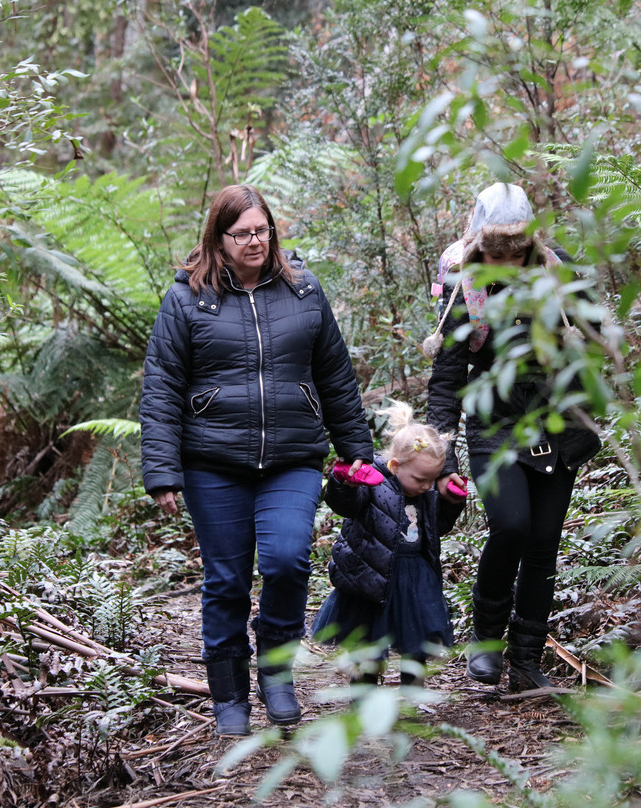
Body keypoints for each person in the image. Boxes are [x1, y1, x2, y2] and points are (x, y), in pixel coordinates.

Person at [140, 184, 375, 736]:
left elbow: (337, 380)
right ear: (217, 239)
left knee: (289, 560)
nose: (254, 241)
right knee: (226, 579)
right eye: (242, 233)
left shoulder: (304, 291)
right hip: (211, 463)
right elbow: (162, 387)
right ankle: (228, 696)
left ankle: (275, 672)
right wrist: (162, 472)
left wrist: (359, 456)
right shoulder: (186, 299)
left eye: (261, 231)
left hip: (294, 456)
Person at [425, 182, 602, 692]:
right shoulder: (464, 282)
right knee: (511, 526)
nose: (504, 259)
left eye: (515, 249)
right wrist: (444, 450)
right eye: (494, 251)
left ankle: (526, 661)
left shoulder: (558, 269)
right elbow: (448, 371)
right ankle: (485, 643)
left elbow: (592, 340)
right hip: (493, 424)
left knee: (544, 542)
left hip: (556, 423)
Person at [311, 401, 463, 687]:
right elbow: (345, 504)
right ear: (395, 465)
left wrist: (452, 502)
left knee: (416, 629)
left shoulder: (428, 493)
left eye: (432, 480)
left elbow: (438, 527)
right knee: (369, 631)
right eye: (420, 479)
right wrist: (345, 482)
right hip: (372, 572)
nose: (427, 486)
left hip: (415, 573)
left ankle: (414, 681)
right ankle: (364, 679)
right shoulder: (373, 482)